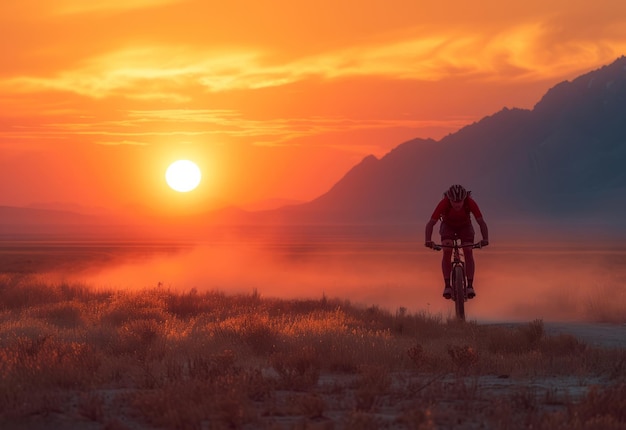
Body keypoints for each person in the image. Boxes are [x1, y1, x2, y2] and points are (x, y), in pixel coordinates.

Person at [424, 184, 489, 299]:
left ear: (464, 199)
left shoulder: (470, 202)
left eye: (460, 202)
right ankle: (447, 286)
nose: (457, 204)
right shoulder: (444, 203)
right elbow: (430, 223)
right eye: (454, 202)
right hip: (448, 225)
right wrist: (428, 240)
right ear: (449, 199)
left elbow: (481, 222)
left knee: (468, 250)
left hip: (465, 226)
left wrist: (485, 239)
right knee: (447, 249)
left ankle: (469, 286)